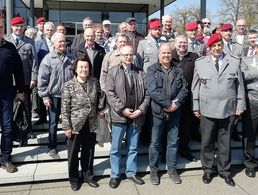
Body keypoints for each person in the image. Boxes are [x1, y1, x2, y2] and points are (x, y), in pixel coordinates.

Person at [191, 33, 246, 186]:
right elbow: (195, 87)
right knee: (207, 141)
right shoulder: (200, 63)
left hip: (228, 110)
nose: (217, 48)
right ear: (209, 48)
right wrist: (196, 105)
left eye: (219, 45)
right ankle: (208, 170)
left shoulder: (234, 62)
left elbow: (239, 85)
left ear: (222, 45)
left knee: (225, 142)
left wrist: (240, 105)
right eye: (213, 46)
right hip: (207, 109)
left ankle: (225, 171)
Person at [106, 45, 150, 189]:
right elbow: (110, 94)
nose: (128, 57)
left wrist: (141, 110)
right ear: (120, 54)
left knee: (133, 147)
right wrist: (122, 109)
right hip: (119, 116)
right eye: (125, 54)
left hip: (136, 116)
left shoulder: (140, 73)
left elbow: (148, 94)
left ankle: (131, 172)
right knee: (116, 148)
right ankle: (115, 174)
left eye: (131, 54)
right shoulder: (113, 72)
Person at [147, 43, 188, 185]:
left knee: (173, 142)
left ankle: (172, 169)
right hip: (158, 113)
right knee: (155, 143)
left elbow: (184, 89)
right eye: (163, 53)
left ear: (172, 54)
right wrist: (167, 104)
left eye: (168, 53)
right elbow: (152, 91)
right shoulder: (152, 70)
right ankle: (154, 170)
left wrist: (176, 104)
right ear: (159, 54)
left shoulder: (178, 71)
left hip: (175, 113)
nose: (166, 55)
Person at [62, 56, 105, 191]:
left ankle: (88, 175)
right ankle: (74, 179)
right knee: (74, 153)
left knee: (89, 151)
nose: (84, 69)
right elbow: (65, 108)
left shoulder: (94, 81)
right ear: (75, 68)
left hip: (91, 123)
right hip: (75, 124)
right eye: (81, 67)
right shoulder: (69, 85)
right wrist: (66, 126)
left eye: (86, 67)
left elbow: (101, 95)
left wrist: (100, 109)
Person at [38, 32, 74, 155]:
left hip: (69, 96)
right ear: (53, 44)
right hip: (54, 97)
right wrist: (44, 96)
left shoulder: (71, 58)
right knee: (53, 123)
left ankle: (69, 143)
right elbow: (42, 79)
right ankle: (51, 146)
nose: (62, 43)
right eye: (60, 41)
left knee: (68, 121)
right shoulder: (48, 58)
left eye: (64, 41)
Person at [6, 16, 38, 143]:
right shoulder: (6, 40)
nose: (19, 28)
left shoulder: (29, 42)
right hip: (9, 80)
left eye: (21, 26)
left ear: (24, 27)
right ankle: (13, 131)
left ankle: (28, 130)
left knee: (26, 106)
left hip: (25, 80)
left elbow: (35, 61)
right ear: (12, 27)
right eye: (16, 26)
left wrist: (34, 78)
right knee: (10, 107)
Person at [0, 18, 25, 173]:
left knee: (8, 127)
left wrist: (21, 91)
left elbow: (19, 70)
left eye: (0, 26)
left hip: (6, 93)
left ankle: (5, 158)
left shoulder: (10, 47)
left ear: (3, 28)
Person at [172, 35, 200, 162]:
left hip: (188, 98)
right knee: (171, 126)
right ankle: (168, 152)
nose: (182, 44)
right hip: (171, 98)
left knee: (185, 127)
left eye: (184, 42)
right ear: (175, 43)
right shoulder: (169, 55)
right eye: (180, 42)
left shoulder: (194, 57)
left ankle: (184, 150)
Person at [241, 41, 258, 178]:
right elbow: (242, 76)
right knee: (250, 134)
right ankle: (250, 163)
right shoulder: (246, 60)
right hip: (252, 99)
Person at [35, 21, 56, 125]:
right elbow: (36, 58)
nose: (49, 32)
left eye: (51, 30)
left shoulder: (56, 40)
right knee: (43, 95)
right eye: (47, 30)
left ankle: (54, 116)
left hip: (55, 73)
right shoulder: (38, 42)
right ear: (44, 30)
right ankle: (42, 117)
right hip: (43, 72)